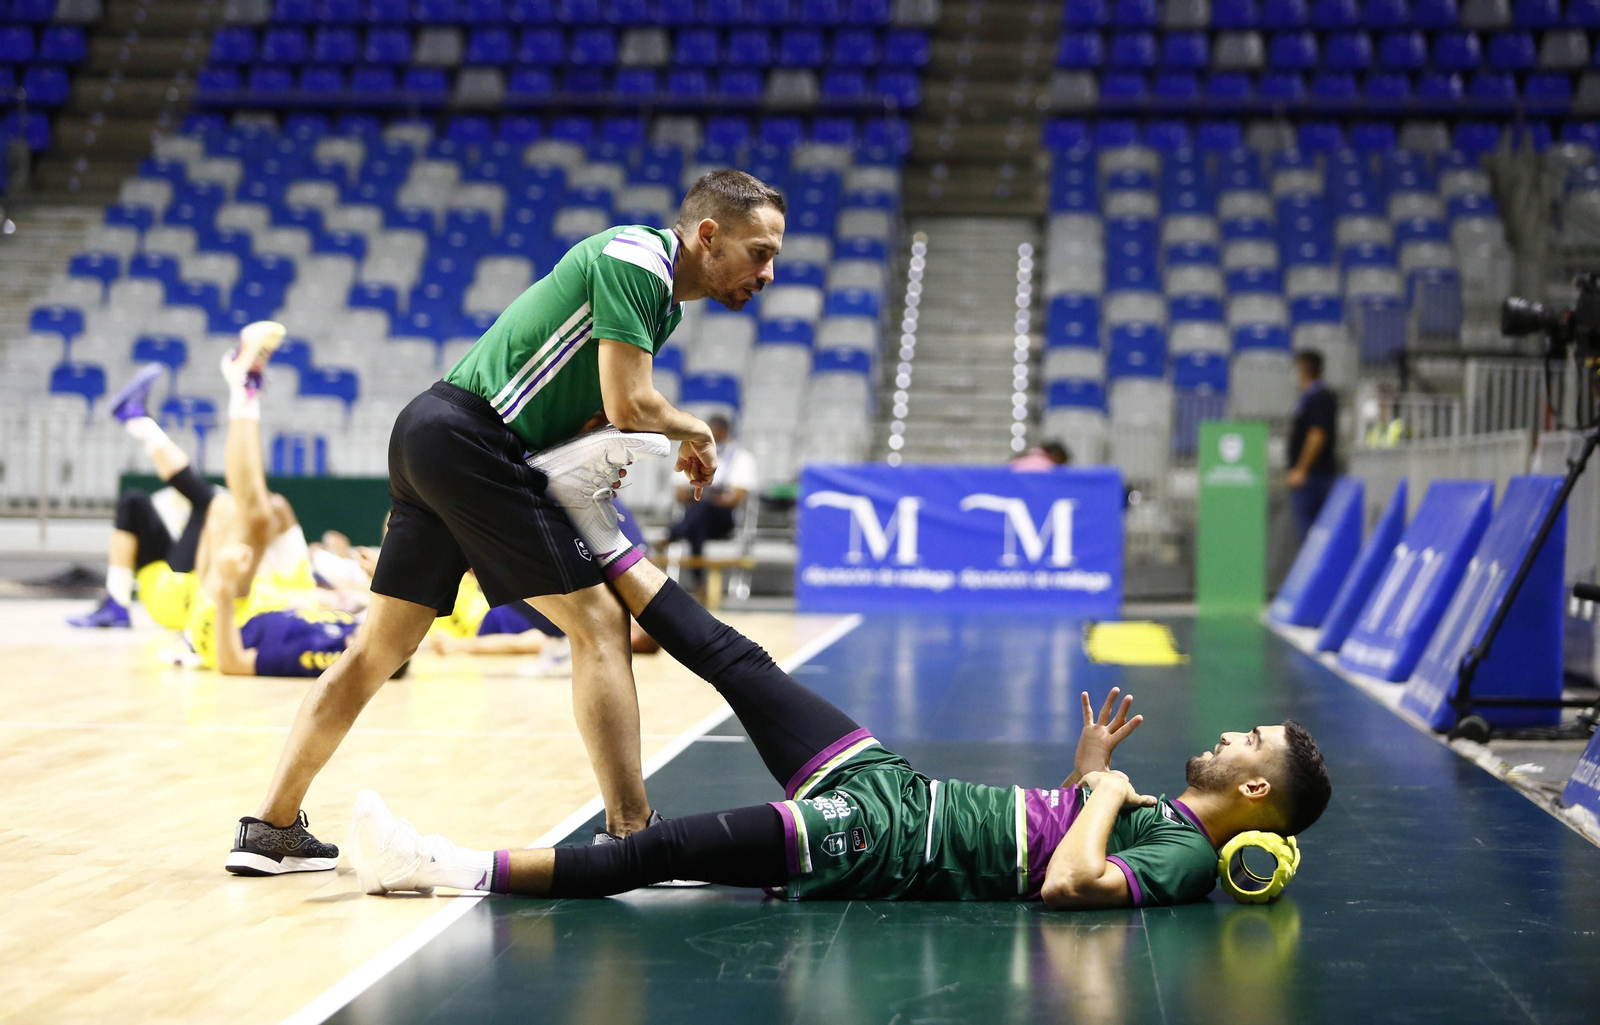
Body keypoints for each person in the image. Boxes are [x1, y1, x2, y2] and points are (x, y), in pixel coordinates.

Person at [347, 432, 1331, 906]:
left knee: (656, 849)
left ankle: (440, 865)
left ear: (1254, 788)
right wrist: (1088, 770)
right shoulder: (1155, 811)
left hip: (877, 840)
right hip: (894, 787)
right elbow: (1067, 830)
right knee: (739, 657)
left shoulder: (1190, 856)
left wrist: (1105, 794)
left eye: (1249, 740)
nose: (1227, 732)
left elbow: (1068, 884)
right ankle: (589, 513)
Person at [228, 169, 786, 876]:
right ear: (708, 236)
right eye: (760, 252)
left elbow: (590, 413)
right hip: (470, 439)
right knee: (599, 623)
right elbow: (628, 402)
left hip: (437, 434)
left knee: (379, 649)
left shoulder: (659, 302)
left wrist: (604, 453)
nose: (768, 272)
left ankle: (270, 828)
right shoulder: (636, 260)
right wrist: (694, 430)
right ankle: (632, 831)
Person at [69, 327, 314, 631]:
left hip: (182, 600)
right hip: (170, 581)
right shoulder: (297, 575)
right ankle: (116, 603)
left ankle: (238, 389)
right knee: (137, 502)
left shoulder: (290, 590)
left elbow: (257, 509)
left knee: (234, 506)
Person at [668, 413, 758, 590]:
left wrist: (703, 495)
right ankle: (699, 583)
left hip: (722, 520)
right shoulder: (692, 454)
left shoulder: (742, 458)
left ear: (726, 433)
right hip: (697, 517)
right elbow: (679, 492)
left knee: (701, 508)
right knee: (698, 520)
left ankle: (675, 533)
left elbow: (735, 498)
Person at [1287, 349, 1338, 541]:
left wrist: (1301, 470)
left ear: (1303, 370)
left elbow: (1317, 435)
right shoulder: (1308, 398)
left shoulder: (1320, 398)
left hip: (1314, 477)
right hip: (1311, 476)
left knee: (1311, 536)